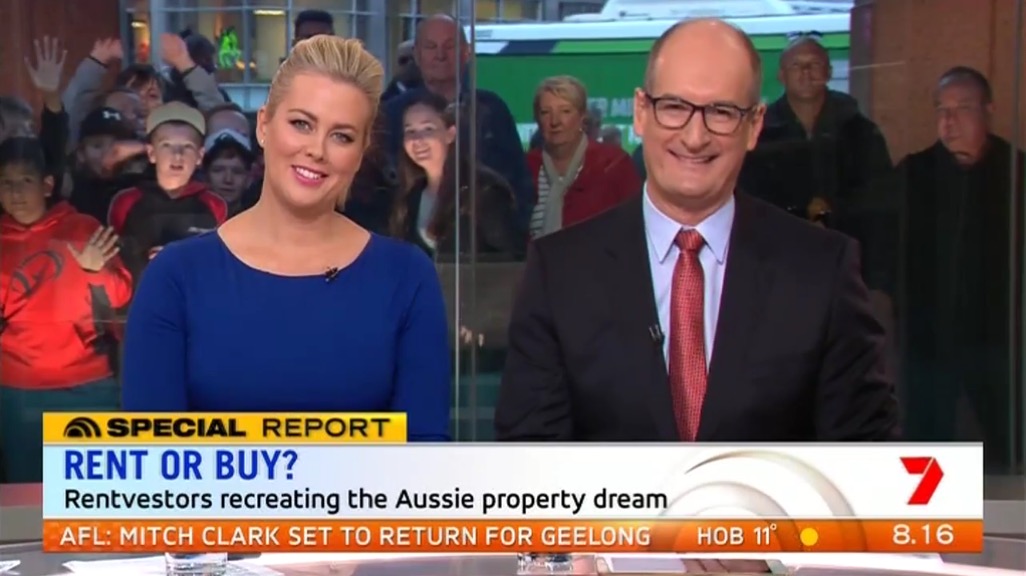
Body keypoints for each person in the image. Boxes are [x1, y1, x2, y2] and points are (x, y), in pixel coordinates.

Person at [495, 19, 900, 442]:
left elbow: (866, 454)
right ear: (641, 112)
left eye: (721, 112)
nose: (694, 137)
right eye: (674, 107)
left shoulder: (822, 269)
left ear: (755, 126)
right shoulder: (560, 271)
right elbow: (529, 459)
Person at [121, 36, 452, 441]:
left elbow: (422, 455)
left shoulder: (406, 276)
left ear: (362, 152)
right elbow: (150, 460)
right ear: (264, 125)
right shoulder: (176, 276)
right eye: (301, 124)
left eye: (342, 136)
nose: (317, 150)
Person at [0, 137, 131, 482]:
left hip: (89, 385)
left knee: (92, 492)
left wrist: (96, 270)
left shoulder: (82, 228)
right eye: (6, 183)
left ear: (47, 185)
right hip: (17, 388)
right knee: (27, 494)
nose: (15, 192)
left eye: (25, 180)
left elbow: (121, 296)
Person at [391, 91, 524, 259]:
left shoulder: (484, 191)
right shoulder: (410, 197)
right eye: (410, 131)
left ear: (450, 134)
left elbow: (509, 259)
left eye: (428, 129)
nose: (418, 139)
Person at [526, 76, 641, 239]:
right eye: (545, 112)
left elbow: (635, 229)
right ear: (537, 119)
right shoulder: (524, 168)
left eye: (565, 111)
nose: (555, 121)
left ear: (582, 116)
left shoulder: (614, 165)